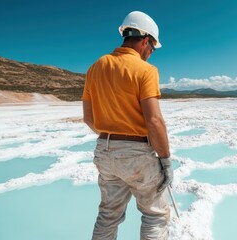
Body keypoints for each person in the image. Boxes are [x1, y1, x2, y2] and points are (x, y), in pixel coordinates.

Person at [82, 11, 173, 240]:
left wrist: (113, 138)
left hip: (104, 150)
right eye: (152, 49)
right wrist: (165, 160)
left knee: (108, 215)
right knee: (154, 215)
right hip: (136, 155)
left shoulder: (95, 67)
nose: (151, 54)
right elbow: (153, 121)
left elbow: (89, 118)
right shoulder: (145, 71)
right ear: (145, 41)